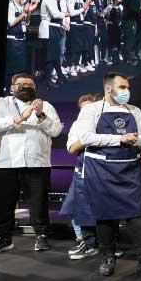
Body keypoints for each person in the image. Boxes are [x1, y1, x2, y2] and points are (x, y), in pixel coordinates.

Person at [76, 72, 141, 276]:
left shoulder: (134, 110)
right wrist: (119, 139)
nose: (126, 91)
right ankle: (108, 256)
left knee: (135, 213)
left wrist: (134, 140)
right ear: (108, 88)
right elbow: (86, 137)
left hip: (129, 169)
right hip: (101, 170)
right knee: (105, 215)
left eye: (127, 87)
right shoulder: (92, 110)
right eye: (122, 87)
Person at [0, 73, 63, 254]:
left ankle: (41, 236)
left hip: (37, 162)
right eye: (21, 84)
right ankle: (3, 238)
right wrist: (17, 119)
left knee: (39, 202)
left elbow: (55, 131)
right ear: (12, 87)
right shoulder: (0, 104)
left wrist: (40, 115)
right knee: (3, 203)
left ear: (35, 88)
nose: (25, 87)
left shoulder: (46, 106)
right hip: (5, 162)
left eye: (30, 85)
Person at [59, 93, 100, 260]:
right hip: (83, 170)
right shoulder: (77, 125)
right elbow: (71, 148)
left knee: (101, 208)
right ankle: (83, 240)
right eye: (83, 109)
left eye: (90, 107)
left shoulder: (102, 121)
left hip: (102, 171)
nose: (86, 111)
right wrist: (88, 139)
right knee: (75, 206)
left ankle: (105, 243)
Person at [39, 0, 70, 90]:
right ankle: (47, 82)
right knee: (51, 56)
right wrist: (65, 14)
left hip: (51, 29)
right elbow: (55, 14)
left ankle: (60, 76)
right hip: (47, 29)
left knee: (55, 54)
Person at [5, 0, 38, 93]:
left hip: (22, 40)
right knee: (12, 67)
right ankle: (8, 87)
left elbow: (27, 22)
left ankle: (17, 87)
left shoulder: (21, 6)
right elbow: (11, 23)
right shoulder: (10, 5)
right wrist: (24, 12)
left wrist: (29, 11)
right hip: (13, 41)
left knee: (20, 67)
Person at [67, 0, 92, 75]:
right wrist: (83, 8)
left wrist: (86, 7)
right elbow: (72, 13)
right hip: (74, 25)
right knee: (74, 48)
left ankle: (77, 66)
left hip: (81, 25)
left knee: (81, 47)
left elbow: (83, 14)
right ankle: (70, 67)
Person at [122, 0, 141, 66]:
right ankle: (128, 59)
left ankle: (129, 57)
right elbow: (131, 8)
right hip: (128, 21)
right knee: (129, 40)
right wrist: (140, 11)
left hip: (133, 21)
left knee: (131, 39)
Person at [105, 0, 123, 65]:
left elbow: (121, 17)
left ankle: (118, 55)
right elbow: (103, 15)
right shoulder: (110, 7)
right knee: (110, 43)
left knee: (118, 42)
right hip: (111, 28)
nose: (120, 0)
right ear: (115, 0)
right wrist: (108, 22)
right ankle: (109, 57)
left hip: (118, 28)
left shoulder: (120, 7)